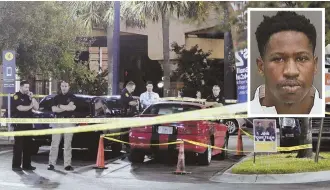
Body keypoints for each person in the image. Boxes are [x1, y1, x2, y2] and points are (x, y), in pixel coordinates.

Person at [251, 11, 322, 115]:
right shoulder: (240, 118)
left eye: (301, 58)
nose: (291, 72)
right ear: (261, 67)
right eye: (278, 59)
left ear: (315, 65)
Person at [48, 80, 76, 171]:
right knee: (54, 144)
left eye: (65, 86)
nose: (64, 88)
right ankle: (51, 164)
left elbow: (71, 107)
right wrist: (65, 107)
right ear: (60, 87)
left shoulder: (72, 96)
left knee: (67, 144)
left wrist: (59, 106)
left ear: (69, 87)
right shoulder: (56, 97)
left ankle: (67, 165)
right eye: (62, 86)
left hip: (68, 121)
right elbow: (53, 109)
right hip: (57, 121)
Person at [11, 80, 39, 171]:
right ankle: (16, 166)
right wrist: (30, 106)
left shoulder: (28, 96)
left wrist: (32, 98)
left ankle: (27, 165)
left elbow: (37, 107)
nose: (27, 89)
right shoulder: (16, 96)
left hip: (28, 124)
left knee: (28, 145)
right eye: (26, 87)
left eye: (28, 87)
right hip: (19, 124)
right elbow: (20, 108)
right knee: (18, 145)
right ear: (21, 87)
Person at [120, 81, 138, 152]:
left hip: (127, 115)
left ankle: (126, 145)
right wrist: (137, 103)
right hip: (125, 115)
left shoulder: (128, 93)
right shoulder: (125, 93)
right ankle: (125, 145)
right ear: (129, 87)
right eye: (133, 89)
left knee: (127, 130)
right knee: (125, 130)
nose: (133, 90)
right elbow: (130, 102)